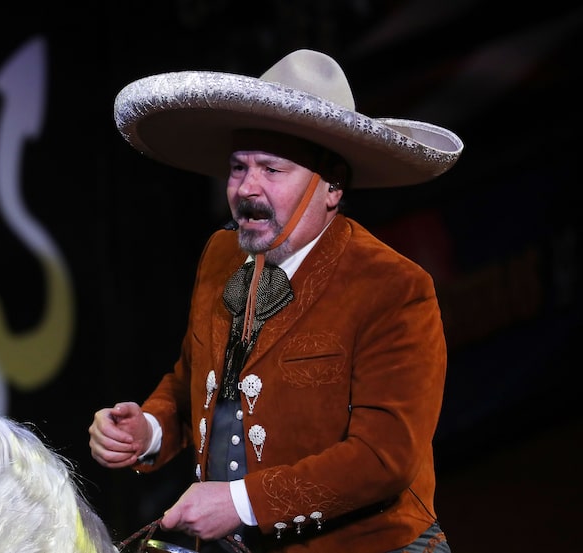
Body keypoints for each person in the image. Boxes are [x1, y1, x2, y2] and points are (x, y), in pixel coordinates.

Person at [89, 49, 463, 553]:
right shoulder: (221, 253)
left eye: (272, 169)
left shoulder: (393, 287)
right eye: (239, 167)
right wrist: (150, 428)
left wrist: (241, 503)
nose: (248, 189)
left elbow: (384, 456)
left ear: (332, 187)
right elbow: (192, 377)